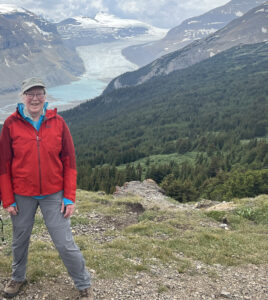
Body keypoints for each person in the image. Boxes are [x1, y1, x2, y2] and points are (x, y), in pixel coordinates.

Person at [0, 78, 93, 299]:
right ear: (22, 96)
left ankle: (83, 283)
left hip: (54, 194)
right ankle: (17, 278)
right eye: (30, 94)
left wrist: (69, 197)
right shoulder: (11, 125)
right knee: (20, 240)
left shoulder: (58, 122)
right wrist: (8, 199)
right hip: (22, 194)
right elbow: (3, 165)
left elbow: (69, 162)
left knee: (64, 242)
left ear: (45, 96)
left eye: (39, 93)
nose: (34, 98)